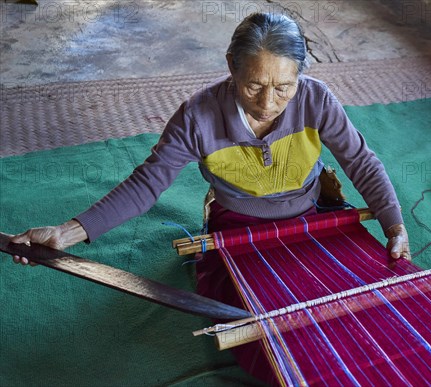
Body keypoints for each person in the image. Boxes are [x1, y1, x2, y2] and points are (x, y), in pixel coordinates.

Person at [10, 12, 410, 383]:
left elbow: (360, 160)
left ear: (301, 78)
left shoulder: (316, 99)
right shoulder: (197, 116)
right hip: (239, 230)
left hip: (312, 217)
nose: (267, 103)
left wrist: (394, 223)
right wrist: (66, 233)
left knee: (370, 312)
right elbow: (147, 183)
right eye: (254, 85)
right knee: (263, 332)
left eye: (284, 88)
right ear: (231, 66)